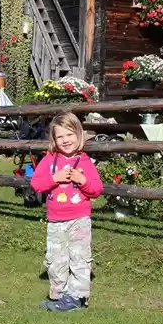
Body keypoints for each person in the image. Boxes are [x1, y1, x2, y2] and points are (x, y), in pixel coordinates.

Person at [29, 112, 104, 312]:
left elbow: (96, 190)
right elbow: (36, 183)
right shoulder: (49, 160)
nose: (65, 140)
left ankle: (78, 297)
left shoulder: (85, 162)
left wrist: (83, 181)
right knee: (56, 259)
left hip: (80, 220)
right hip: (56, 220)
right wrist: (55, 178)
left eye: (69, 135)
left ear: (78, 135)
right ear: (54, 139)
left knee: (79, 258)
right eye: (60, 136)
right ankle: (59, 295)